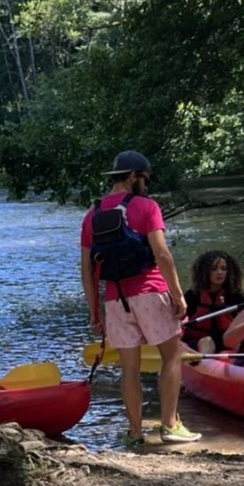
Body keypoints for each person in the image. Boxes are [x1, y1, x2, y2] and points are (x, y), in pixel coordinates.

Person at [81, 150, 200, 447]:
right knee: (171, 357)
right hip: (150, 291)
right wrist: (177, 294)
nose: (146, 185)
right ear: (133, 176)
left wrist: (94, 311)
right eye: (144, 179)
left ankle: (134, 433)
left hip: (114, 297)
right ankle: (170, 425)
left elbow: (86, 269)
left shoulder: (92, 215)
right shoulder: (146, 207)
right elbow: (162, 254)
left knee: (129, 369)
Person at [183, 250, 244, 353]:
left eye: (223, 269)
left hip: (226, 341)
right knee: (207, 341)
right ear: (205, 272)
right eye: (214, 269)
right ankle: (204, 364)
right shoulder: (193, 295)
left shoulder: (235, 296)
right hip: (197, 342)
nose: (219, 272)